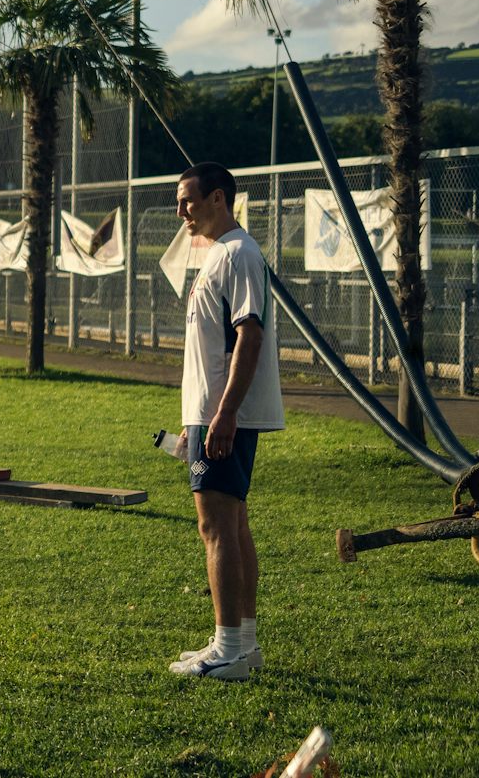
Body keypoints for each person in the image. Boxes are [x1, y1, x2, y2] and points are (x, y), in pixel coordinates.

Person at [168, 162, 284, 681]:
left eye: (188, 200)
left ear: (219, 198)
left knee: (214, 526)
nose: (181, 211)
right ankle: (241, 643)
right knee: (232, 525)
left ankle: (229, 648)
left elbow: (250, 336)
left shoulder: (239, 253)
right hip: (209, 416)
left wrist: (224, 414)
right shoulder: (219, 255)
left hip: (221, 417)